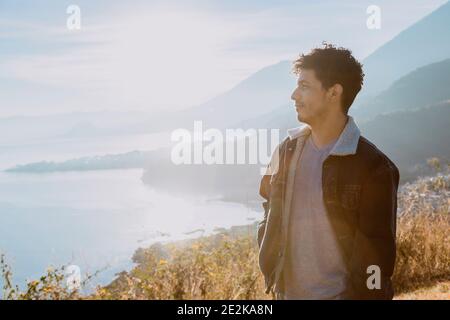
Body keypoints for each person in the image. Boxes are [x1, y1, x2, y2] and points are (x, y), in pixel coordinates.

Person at [256, 43, 400, 300]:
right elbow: (269, 209)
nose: (293, 95)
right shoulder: (283, 153)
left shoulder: (374, 168)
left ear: (334, 93)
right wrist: (270, 263)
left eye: (304, 86)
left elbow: (378, 254)